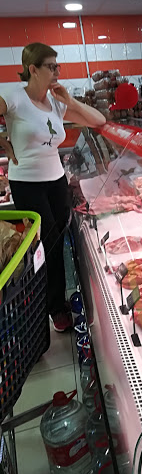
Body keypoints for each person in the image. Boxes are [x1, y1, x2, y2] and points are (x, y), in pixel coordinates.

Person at [0, 42, 106, 332]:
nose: (57, 71)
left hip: (56, 180)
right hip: (27, 183)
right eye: (51, 66)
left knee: (58, 242)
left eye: (58, 65)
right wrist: (4, 144)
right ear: (33, 70)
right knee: (46, 245)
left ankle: (52, 302)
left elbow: (99, 120)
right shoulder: (14, 96)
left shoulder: (57, 101)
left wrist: (69, 102)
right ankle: (53, 308)